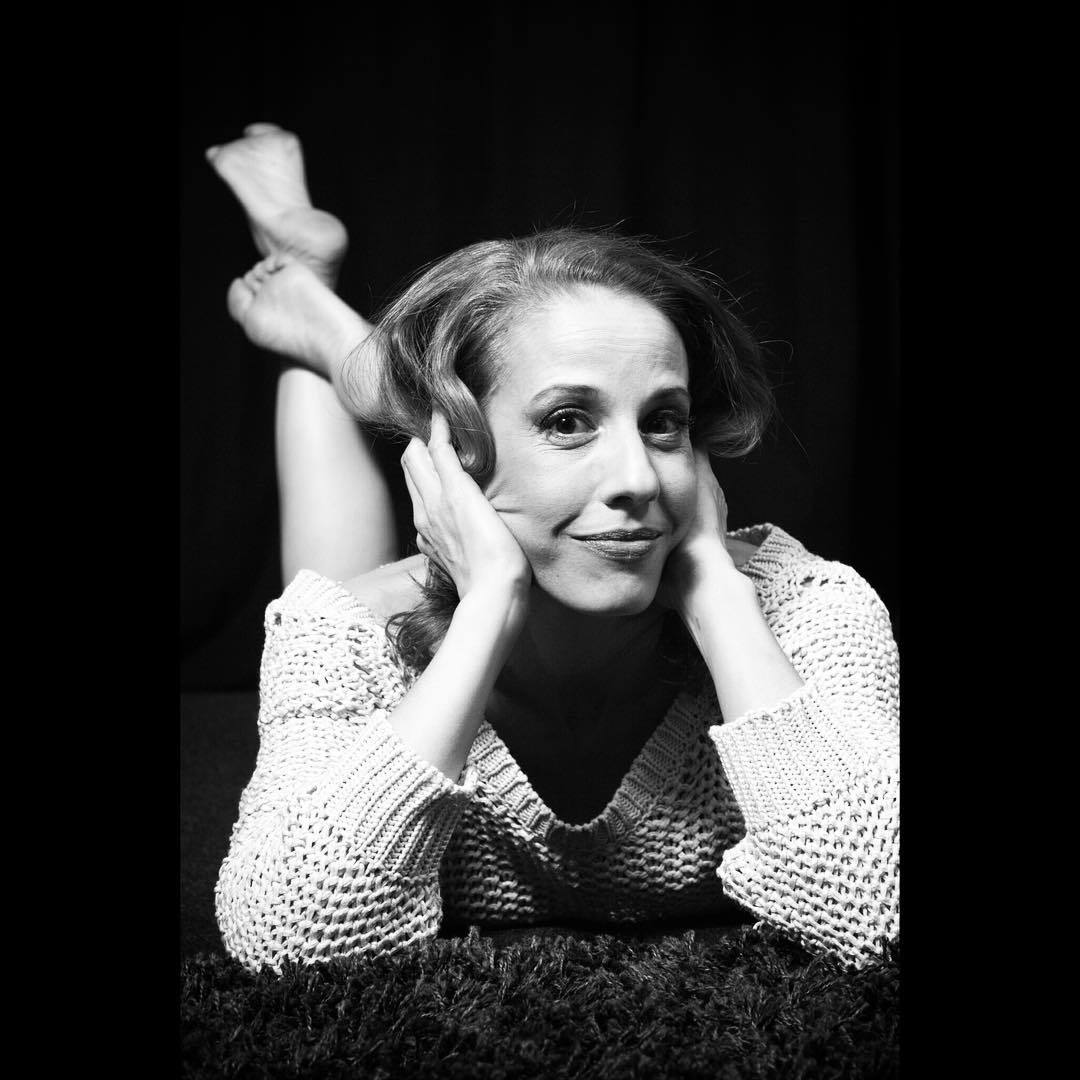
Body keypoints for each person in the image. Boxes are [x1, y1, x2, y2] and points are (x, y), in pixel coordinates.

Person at [205, 123, 900, 974]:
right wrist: (487, 609)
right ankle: (317, 326)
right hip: (419, 583)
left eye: (664, 422)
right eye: (568, 421)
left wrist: (720, 595)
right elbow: (293, 943)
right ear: (453, 461)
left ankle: (323, 325)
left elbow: (883, 913)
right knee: (338, 588)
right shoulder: (341, 631)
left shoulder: (813, 608)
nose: (638, 478)